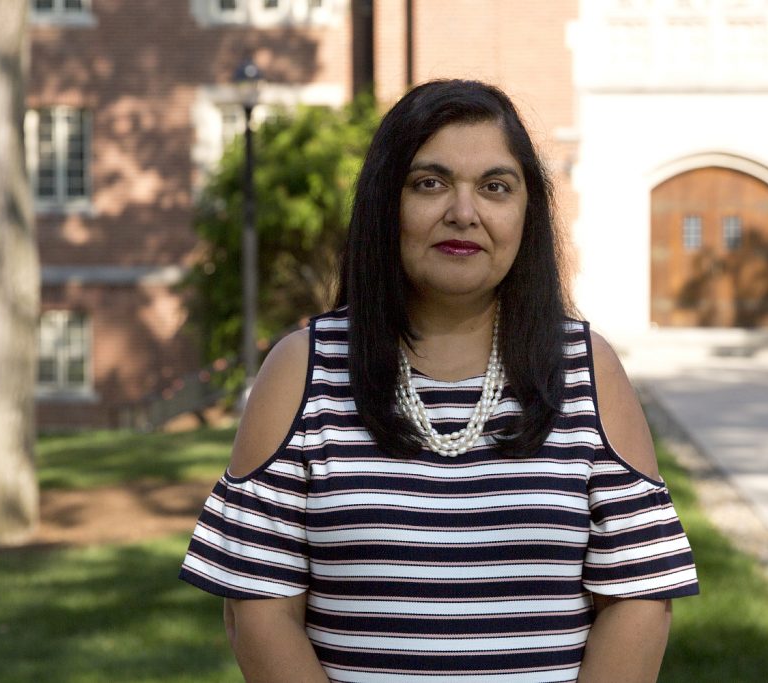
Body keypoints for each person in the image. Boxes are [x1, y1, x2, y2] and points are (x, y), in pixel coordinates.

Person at [179, 79, 699, 683]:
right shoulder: (301, 371)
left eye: (495, 187)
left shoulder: (589, 370)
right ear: (385, 203)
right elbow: (258, 606)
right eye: (430, 183)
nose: (463, 212)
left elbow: (638, 595)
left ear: (526, 213)